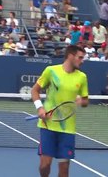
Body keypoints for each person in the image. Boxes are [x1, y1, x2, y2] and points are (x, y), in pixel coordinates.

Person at [31, 45, 89, 177]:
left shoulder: (82, 77)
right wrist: (40, 107)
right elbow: (34, 90)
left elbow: (86, 100)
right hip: (48, 126)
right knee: (44, 166)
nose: (82, 60)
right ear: (70, 56)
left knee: (64, 169)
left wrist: (82, 102)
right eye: (80, 57)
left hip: (67, 129)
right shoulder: (51, 71)